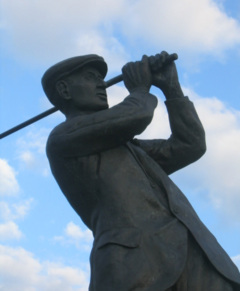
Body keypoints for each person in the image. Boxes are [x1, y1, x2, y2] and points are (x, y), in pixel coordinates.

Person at [42, 52, 240, 290]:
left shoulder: (130, 147)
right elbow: (137, 115)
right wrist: (138, 90)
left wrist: (172, 89)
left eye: (100, 78)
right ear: (64, 90)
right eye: (90, 77)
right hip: (135, 266)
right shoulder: (63, 138)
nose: (101, 83)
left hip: (199, 260)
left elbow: (190, 146)